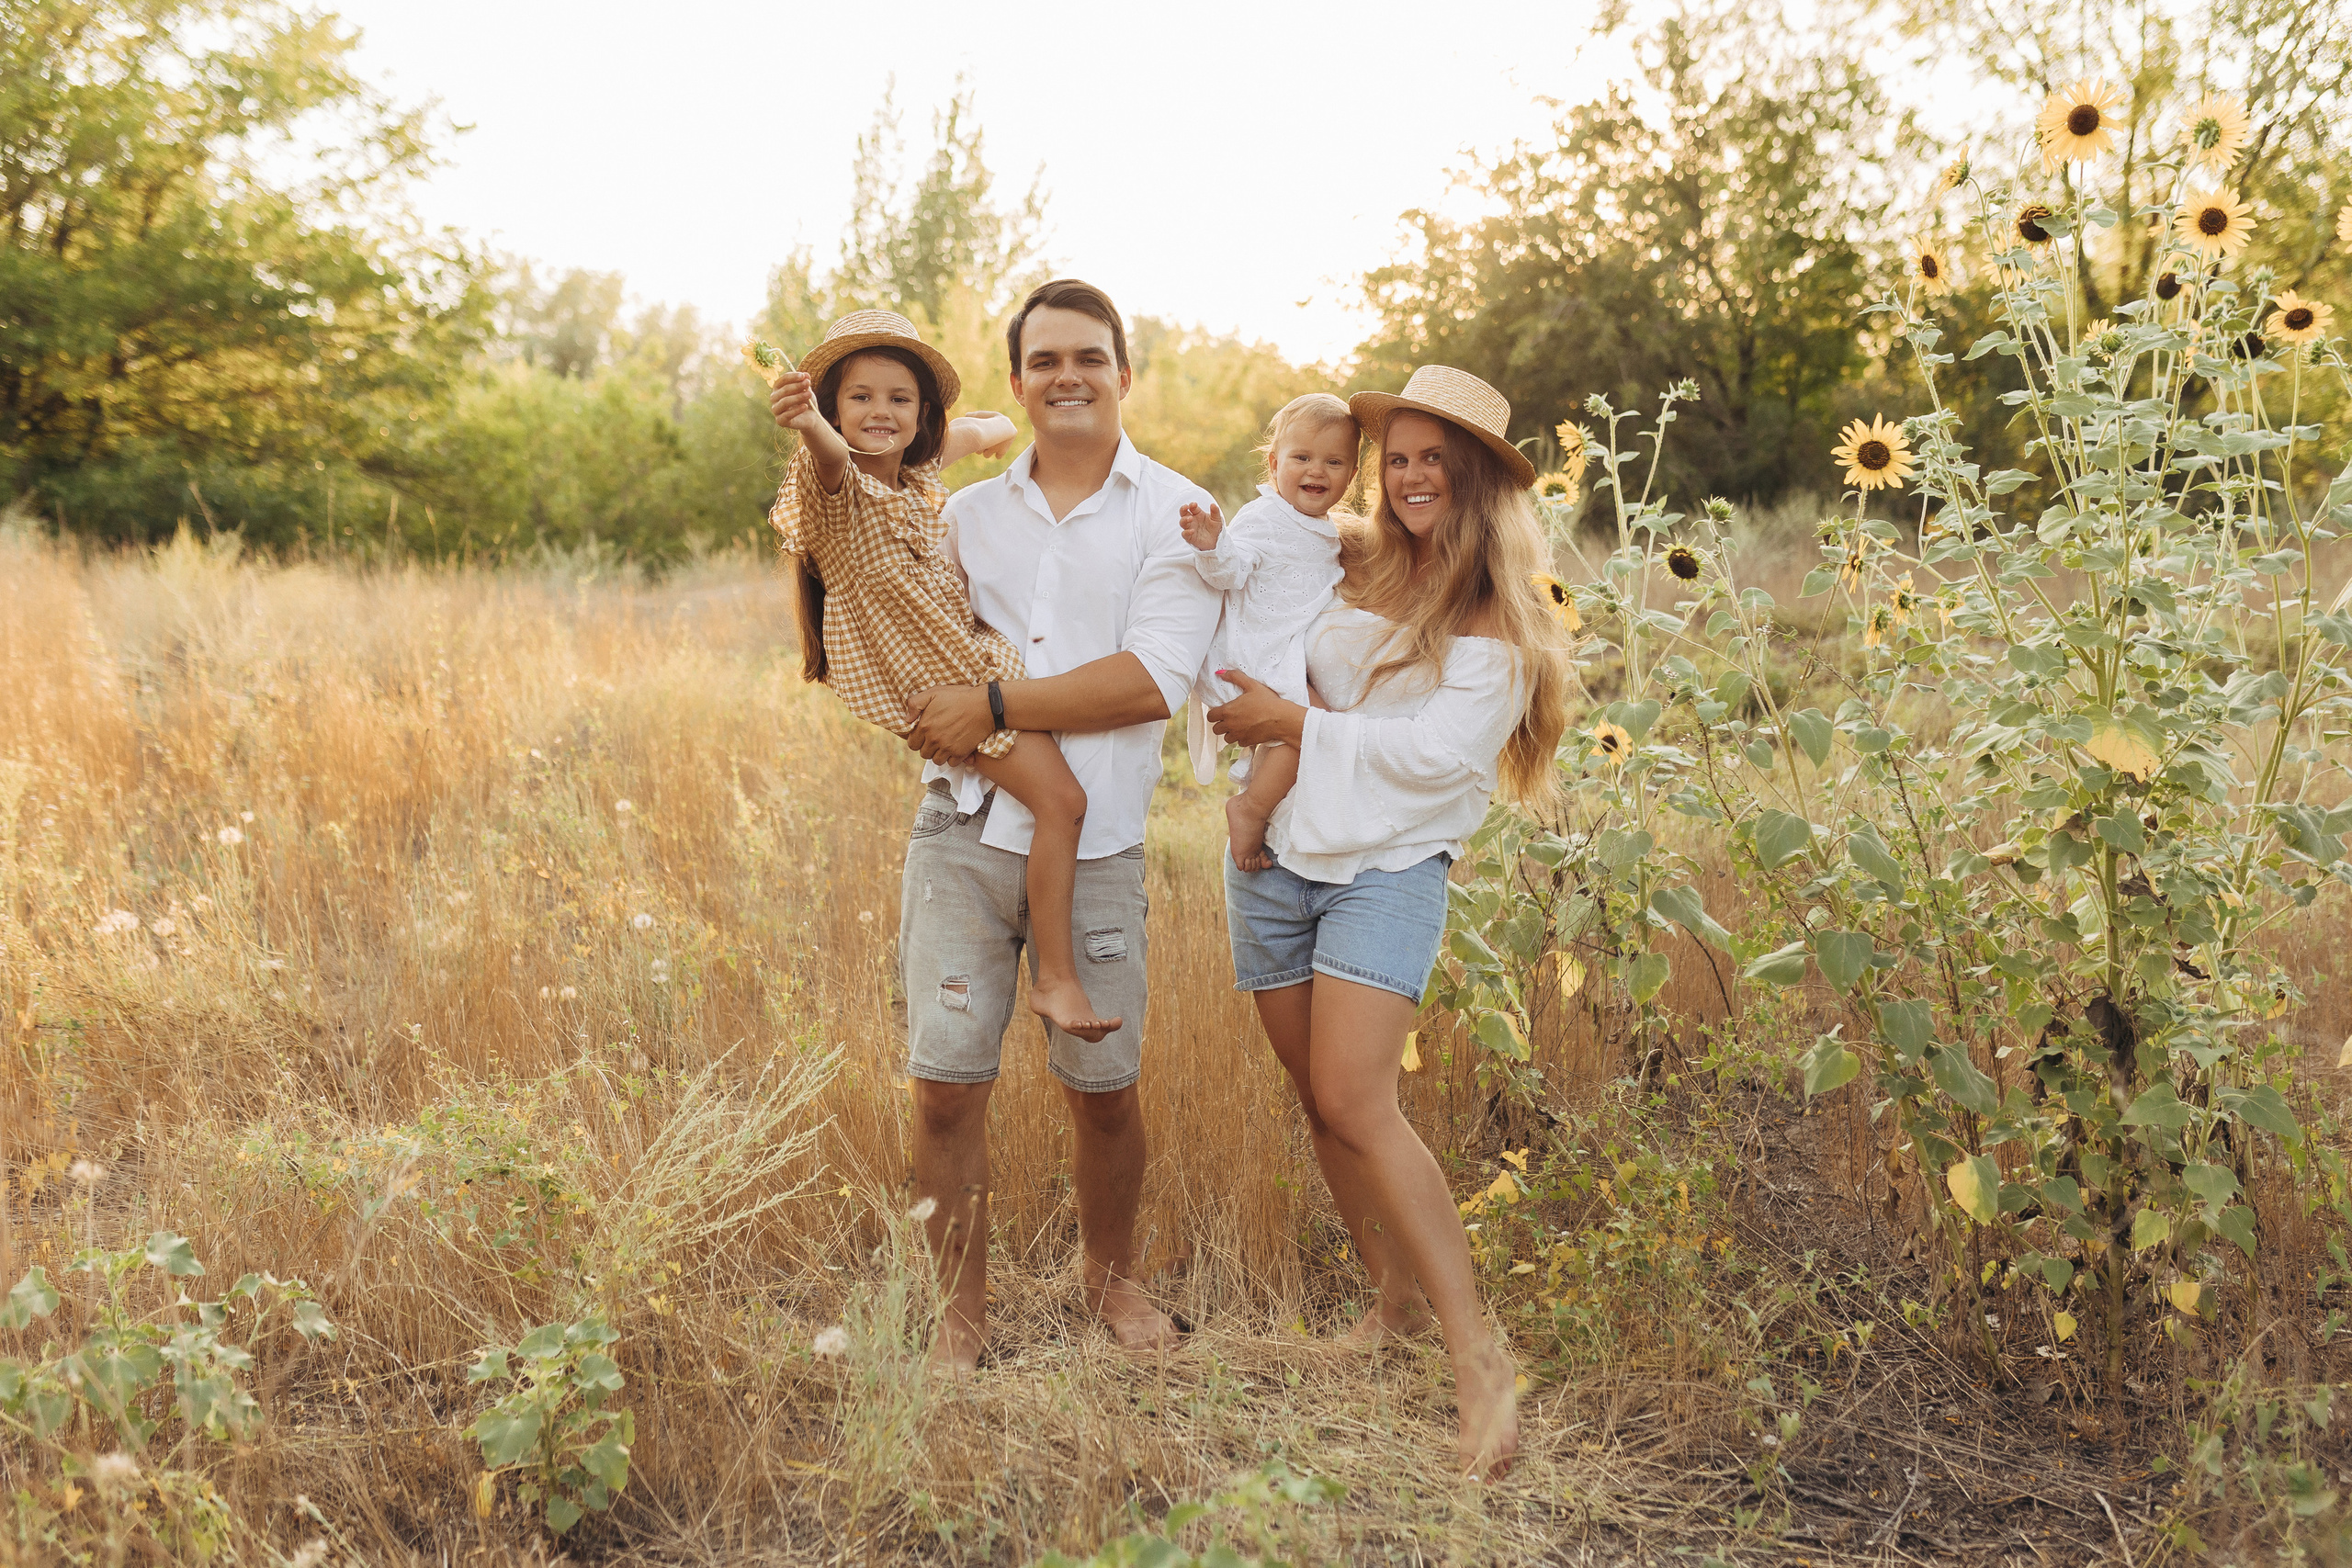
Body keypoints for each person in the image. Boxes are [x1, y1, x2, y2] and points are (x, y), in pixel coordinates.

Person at [1207, 365, 1573, 1481]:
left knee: (1362, 1100)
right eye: (1398, 457)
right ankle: (1391, 1306)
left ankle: (1482, 1364)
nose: (1409, 477)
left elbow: (1435, 760)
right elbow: (1235, 587)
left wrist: (1293, 723)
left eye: (1433, 462)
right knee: (1320, 1102)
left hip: (1386, 870)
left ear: (1474, 483)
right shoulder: (1344, 553)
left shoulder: (1497, 622)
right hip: (1275, 862)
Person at [896, 279, 1222, 1371]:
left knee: (1105, 1086)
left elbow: (1148, 682)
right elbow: (913, 647)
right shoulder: (963, 516)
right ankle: (959, 1315)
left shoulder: (1176, 513)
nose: (1067, 377)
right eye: (1044, 361)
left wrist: (990, 705)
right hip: (958, 832)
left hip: (1096, 845)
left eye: (1088, 357)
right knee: (945, 1085)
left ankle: (1112, 1283)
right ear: (1018, 382)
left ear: (1125, 374)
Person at [763, 311, 1120, 1043]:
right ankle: (1056, 977)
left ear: (922, 413)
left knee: (1063, 787)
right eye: (859, 398)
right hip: (945, 686)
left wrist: (987, 432)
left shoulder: (915, 478)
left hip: (970, 664)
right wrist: (805, 422)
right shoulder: (838, 490)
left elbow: (980, 429)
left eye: (900, 398)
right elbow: (831, 456)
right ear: (833, 408)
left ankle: (1050, 962)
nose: (880, 413)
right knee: (1064, 801)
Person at [1179, 393, 1359, 871]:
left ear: (1352, 475)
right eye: (1302, 458)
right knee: (1312, 725)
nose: (1316, 471)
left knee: (1302, 731)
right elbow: (1233, 572)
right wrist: (1212, 545)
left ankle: (1265, 806)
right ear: (1274, 463)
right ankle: (1250, 810)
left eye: (1334, 461)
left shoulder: (1324, 528)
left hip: (1277, 654)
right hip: (1247, 657)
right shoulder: (1265, 517)